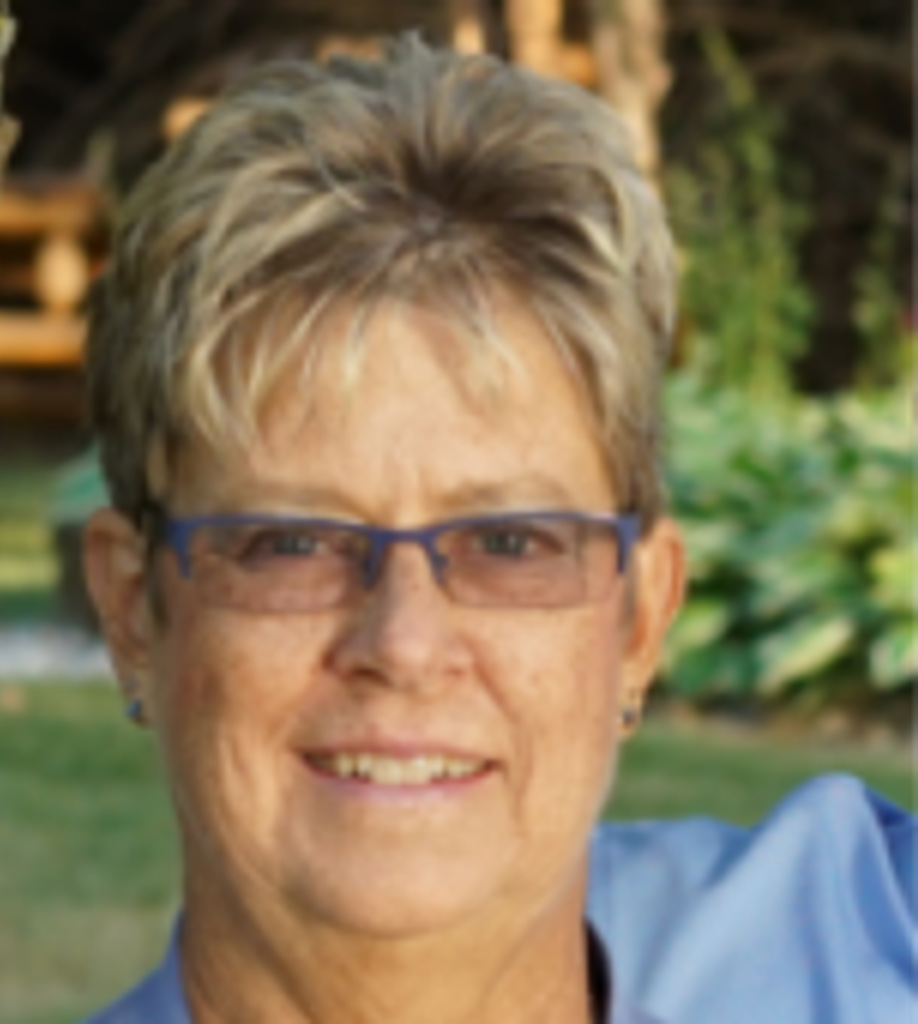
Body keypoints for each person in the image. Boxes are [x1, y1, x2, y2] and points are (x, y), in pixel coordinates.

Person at [81, 36, 917, 1024]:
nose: (404, 645)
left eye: (511, 544)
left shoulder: (860, 931)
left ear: (641, 617)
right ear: (132, 609)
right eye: (293, 543)